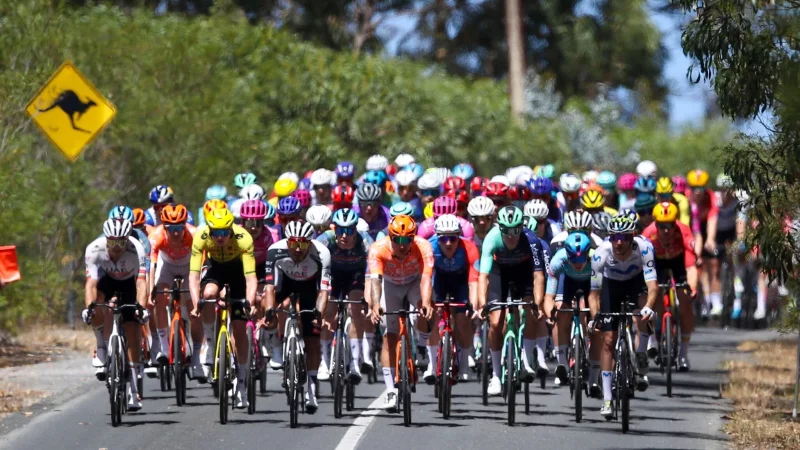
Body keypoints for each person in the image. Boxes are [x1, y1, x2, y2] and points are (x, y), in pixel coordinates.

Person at [588, 214, 658, 418]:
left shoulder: (644, 248)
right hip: (612, 286)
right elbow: (593, 294)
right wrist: (595, 318)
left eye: (624, 238)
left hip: (636, 282)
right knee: (608, 339)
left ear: (632, 237)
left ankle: (642, 351)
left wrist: (648, 307)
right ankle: (608, 399)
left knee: (644, 308)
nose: (619, 242)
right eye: (615, 237)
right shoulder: (600, 254)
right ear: (609, 237)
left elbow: (653, 287)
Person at [188, 208, 258, 407]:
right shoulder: (200, 236)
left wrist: (249, 304)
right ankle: (210, 343)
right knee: (209, 295)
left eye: (224, 233)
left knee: (238, 329)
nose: (220, 237)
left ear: (231, 229)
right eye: (215, 233)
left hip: (238, 271)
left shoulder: (243, 238)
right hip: (215, 267)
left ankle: (242, 384)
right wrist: (196, 305)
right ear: (209, 230)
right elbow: (193, 276)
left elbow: (251, 278)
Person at [478, 206, 549, 396]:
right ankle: (495, 374)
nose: (511, 236)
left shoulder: (531, 240)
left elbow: (538, 276)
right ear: (499, 227)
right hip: (499, 273)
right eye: (506, 231)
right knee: (495, 322)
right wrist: (482, 304)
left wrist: (538, 304)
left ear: (522, 227)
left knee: (530, 312)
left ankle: (526, 362)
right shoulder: (492, 238)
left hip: (523, 272)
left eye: (516, 230)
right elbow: (483, 276)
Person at [367, 215, 434, 410]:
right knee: (390, 334)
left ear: (414, 237)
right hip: (390, 286)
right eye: (397, 239)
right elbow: (375, 281)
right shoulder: (378, 249)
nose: (402, 244)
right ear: (390, 237)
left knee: (425, 311)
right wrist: (375, 305)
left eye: (407, 240)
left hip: (414, 283)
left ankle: (422, 346)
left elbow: (426, 279)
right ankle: (390, 390)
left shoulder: (424, 247)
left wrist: (427, 303)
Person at [263, 221, 331, 413]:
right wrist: (270, 309)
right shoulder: (275, 251)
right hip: (285, 283)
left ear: (310, 243)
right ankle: (276, 347)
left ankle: (311, 389)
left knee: (312, 339)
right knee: (265, 307)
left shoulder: (322, 253)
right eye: (293, 244)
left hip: (310, 287)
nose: (298, 249)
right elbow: (269, 287)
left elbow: (324, 291)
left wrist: (319, 313)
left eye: (303, 244)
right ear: (287, 242)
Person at [82, 219, 149, 411]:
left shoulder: (137, 249)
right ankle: (101, 347)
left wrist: (141, 308)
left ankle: (134, 391)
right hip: (107, 281)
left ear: (127, 239)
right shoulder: (94, 249)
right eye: (112, 242)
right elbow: (91, 284)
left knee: (133, 327)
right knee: (97, 303)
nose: (117, 247)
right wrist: (89, 308)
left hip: (129, 284)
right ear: (106, 239)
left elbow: (141, 283)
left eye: (121, 242)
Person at [314, 208, 374, 382]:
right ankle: (325, 362)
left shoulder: (365, 242)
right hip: (332, 276)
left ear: (356, 230)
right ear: (334, 229)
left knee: (357, 309)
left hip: (356, 277)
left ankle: (355, 362)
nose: (344, 235)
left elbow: (371, 274)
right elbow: (314, 269)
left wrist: (368, 301)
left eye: (349, 230)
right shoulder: (324, 240)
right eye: (340, 230)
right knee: (329, 313)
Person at [641, 202, 698, 371]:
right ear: (655, 224)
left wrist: (691, 288)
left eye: (670, 225)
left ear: (676, 223)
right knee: (653, 297)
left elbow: (691, 264)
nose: (666, 230)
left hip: (678, 262)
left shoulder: (683, 231)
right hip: (655, 262)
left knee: (685, 303)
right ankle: (655, 339)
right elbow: (644, 266)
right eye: (662, 226)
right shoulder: (648, 234)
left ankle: (683, 354)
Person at [425, 214, 481, 382]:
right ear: (437, 237)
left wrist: (474, 306)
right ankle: (431, 364)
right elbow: (426, 278)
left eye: (453, 238)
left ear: (459, 236)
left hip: (461, 282)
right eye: (443, 239)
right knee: (433, 317)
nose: (448, 243)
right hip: (439, 281)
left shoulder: (469, 248)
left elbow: (474, 282)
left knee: (463, 319)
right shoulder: (429, 248)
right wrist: (427, 303)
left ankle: (464, 364)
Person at [146, 205, 198, 377]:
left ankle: (196, 351)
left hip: (188, 266)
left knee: (194, 306)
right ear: (164, 227)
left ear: (185, 226)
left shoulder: (194, 235)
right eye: (171, 229)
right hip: (166, 265)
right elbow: (151, 266)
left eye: (179, 228)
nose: (176, 233)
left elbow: (201, 266)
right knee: (159, 299)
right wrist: (151, 288)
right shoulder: (156, 236)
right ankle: (163, 347)